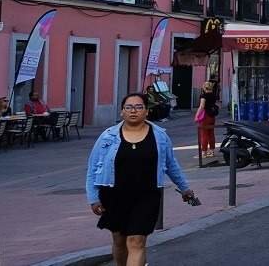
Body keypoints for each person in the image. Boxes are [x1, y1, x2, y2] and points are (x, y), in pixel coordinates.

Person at [86, 93, 196, 266]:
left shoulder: (160, 136)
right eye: (128, 107)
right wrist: (93, 198)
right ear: (122, 112)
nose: (133, 111)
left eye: (138, 107)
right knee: (119, 240)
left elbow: (171, 164)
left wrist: (184, 188)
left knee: (136, 241)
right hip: (114, 195)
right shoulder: (108, 136)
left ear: (146, 111)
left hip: (147, 195)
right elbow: (93, 168)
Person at [196, 82, 220, 158]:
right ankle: (212, 152)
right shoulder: (214, 95)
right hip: (212, 116)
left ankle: (204, 152)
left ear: (204, 88)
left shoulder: (204, 95)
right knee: (211, 134)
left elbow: (202, 106)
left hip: (205, 116)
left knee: (204, 134)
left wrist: (197, 115)